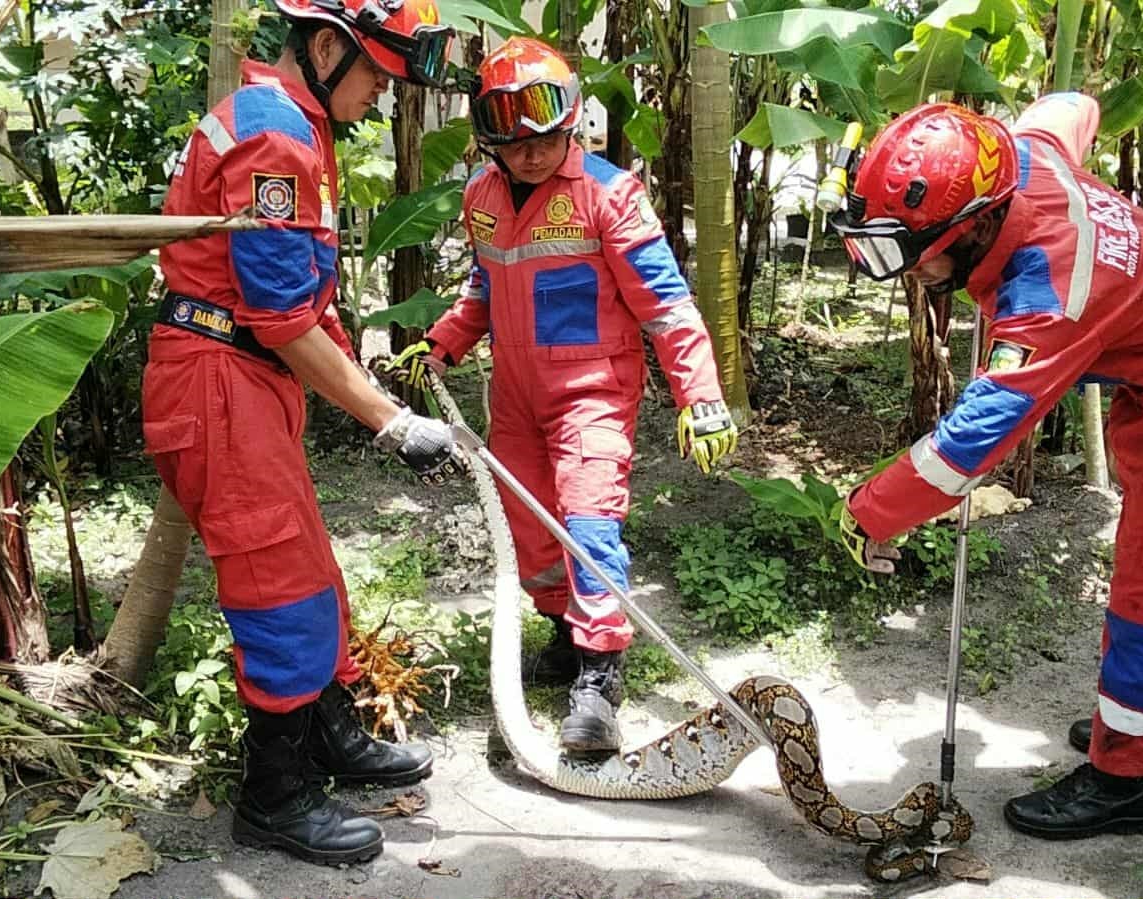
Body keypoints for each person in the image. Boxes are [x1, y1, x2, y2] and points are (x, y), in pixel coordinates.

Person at [828, 94, 1143, 839]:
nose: (912, 273)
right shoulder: (1023, 152)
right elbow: (1072, 107)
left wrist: (870, 509)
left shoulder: (1053, 288)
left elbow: (976, 438)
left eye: (911, 255)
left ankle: (1122, 783)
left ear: (975, 224)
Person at [143, 0, 465, 866]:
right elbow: (282, 317)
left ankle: (324, 737)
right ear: (325, 48)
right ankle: (274, 796)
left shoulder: (290, 124)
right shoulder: (276, 138)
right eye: (374, 75)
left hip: (243, 380)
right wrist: (394, 422)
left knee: (308, 566)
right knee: (277, 584)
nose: (380, 97)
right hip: (220, 381)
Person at [388, 37, 739, 754]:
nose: (530, 153)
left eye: (544, 137)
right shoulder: (481, 199)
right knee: (531, 530)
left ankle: (600, 677)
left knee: (588, 524)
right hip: (514, 396)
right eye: (513, 143)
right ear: (489, 139)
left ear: (570, 121)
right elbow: (482, 287)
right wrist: (445, 341)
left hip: (592, 395)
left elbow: (667, 307)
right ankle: (564, 637)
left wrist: (698, 395)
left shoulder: (611, 197)